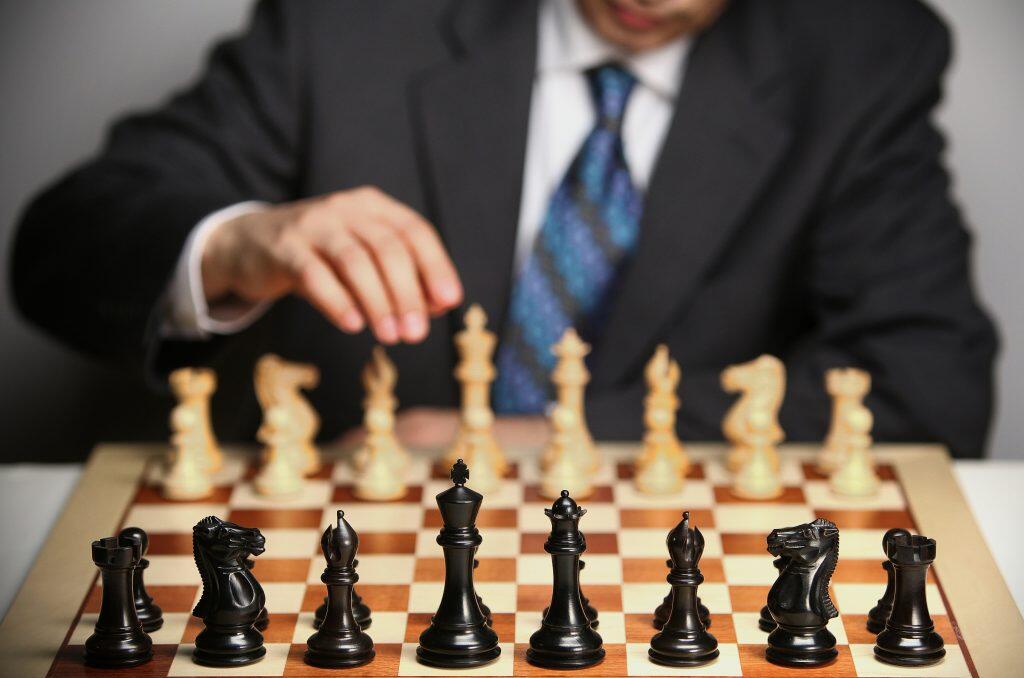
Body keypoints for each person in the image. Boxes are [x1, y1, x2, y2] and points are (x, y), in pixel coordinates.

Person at [11, 0, 997, 457]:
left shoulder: (864, 51)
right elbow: (59, 248)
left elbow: (928, 384)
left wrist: (522, 438)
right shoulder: (346, 21)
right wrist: (234, 243)